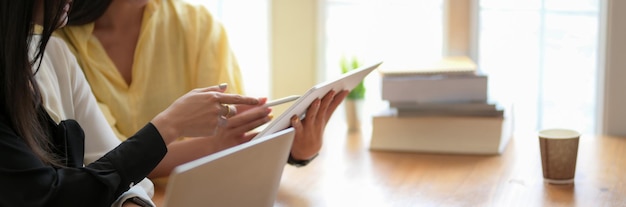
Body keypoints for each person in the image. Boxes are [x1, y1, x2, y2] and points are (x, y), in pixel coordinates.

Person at [0, 0, 270, 206]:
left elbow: (111, 166)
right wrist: (168, 126)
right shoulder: (63, 44)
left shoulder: (56, 55)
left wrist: (130, 201)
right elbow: (51, 194)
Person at [56, 0, 349, 178]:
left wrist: (298, 152)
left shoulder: (199, 26)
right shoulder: (58, 45)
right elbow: (102, 163)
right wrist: (212, 145)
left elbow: (235, 141)